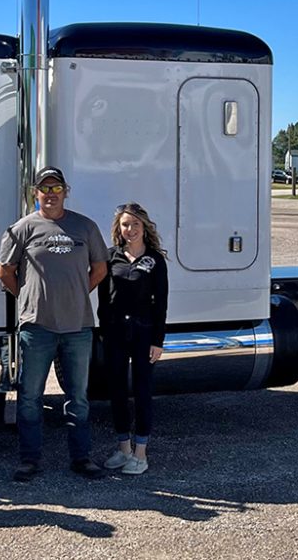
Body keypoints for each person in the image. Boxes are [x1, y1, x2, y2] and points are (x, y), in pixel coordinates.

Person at [0, 166, 109, 482]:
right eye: (44, 188)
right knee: (30, 397)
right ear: (35, 193)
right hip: (37, 327)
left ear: (65, 191)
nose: (50, 194)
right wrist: (29, 297)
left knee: (79, 397)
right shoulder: (22, 228)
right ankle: (29, 460)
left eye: (56, 188)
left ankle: (81, 458)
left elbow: (100, 269)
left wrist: (77, 292)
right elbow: (5, 272)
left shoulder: (85, 227)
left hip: (78, 326)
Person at [97, 202, 168, 475]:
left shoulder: (154, 260)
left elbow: (161, 303)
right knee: (116, 390)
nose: (130, 229)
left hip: (143, 332)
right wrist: (104, 329)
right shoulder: (110, 256)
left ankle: (141, 453)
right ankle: (123, 448)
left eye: (135, 224)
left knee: (142, 390)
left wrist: (157, 340)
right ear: (119, 228)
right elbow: (103, 299)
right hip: (115, 333)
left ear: (144, 227)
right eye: (125, 224)